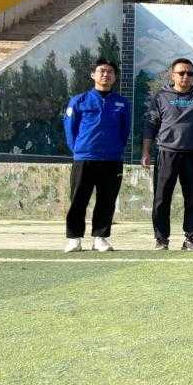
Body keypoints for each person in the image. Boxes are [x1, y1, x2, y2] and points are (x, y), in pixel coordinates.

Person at [141, 57, 193, 250]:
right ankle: (161, 239)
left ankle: (191, 238)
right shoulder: (161, 96)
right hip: (166, 153)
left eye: (190, 73)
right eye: (181, 73)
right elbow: (151, 125)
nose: (186, 76)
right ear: (172, 75)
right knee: (161, 198)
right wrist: (146, 152)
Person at [63, 57, 130, 253]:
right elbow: (70, 128)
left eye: (110, 72)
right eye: (102, 71)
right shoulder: (79, 100)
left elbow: (125, 130)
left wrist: (116, 148)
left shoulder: (122, 102)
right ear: (93, 74)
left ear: (115, 77)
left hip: (112, 159)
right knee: (78, 199)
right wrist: (78, 149)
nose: (106, 74)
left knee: (107, 200)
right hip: (84, 157)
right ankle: (74, 238)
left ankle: (100, 238)